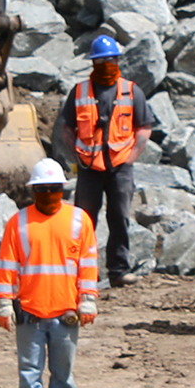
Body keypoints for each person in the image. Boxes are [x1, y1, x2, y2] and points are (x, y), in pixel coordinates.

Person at [0, 158, 98, 388]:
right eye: (44, 189)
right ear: (33, 191)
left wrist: (87, 300)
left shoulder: (79, 221)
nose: (49, 194)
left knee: (63, 373)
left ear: (62, 189)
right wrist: (3, 303)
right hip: (30, 311)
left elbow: (87, 265)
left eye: (54, 188)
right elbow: (6, 266)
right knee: (29, 372)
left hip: (66, 311)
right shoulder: (19, 222)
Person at [61, 33, 153, 289]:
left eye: (111, 59)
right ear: (93, 63)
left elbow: (144, 127)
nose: (106, 65)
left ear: (118, 60)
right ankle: (81, 272)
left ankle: (118, 270)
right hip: (89, 167)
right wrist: (76, 155)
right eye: (101, 61)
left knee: (119, 217)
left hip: (120, 167)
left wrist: (132, 157)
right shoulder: (79, 92)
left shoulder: (131, 91)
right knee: (83, 221)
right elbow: (67, 128)